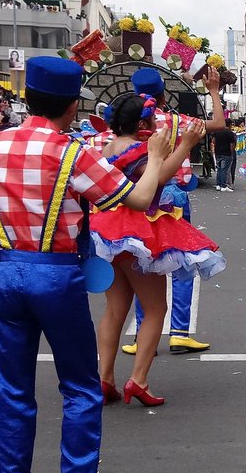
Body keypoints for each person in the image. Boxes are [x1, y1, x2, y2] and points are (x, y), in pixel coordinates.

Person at [0, 57, 171, 473]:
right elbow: (138, 200)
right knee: (79, 384)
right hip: (57, 275)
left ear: (28, 98)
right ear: (73, 103)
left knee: (10, 387)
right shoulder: (73, 153)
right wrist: (156, 155)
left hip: (5, 273)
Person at [90, 94, 224, 405]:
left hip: (107, 231)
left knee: (115, 309)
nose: (155, 125)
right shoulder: (139, 149)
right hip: (138, 231)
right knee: (155, 309)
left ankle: (104, 378)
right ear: (141, 123)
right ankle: (138, 380)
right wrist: (186, 145)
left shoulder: (106, 147)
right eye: (151, 120)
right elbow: (160, 178)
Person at [117, 66, 227, 357]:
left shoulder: (127, 124)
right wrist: (213, 91)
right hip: (173, 197)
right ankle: (179, 333)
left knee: (142, 264)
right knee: (181, 263)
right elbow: (218, 123)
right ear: (163, 95)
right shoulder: (178, 121)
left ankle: (144, 337)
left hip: (138, 198)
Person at [212, 126, 236, 191]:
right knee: (224, 169)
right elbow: (232, 144)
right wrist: (232, 152)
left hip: (218, 152)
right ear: (230, 125)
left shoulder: (216, 132)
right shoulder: (229, 133)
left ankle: (218, 184)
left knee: (219, 169)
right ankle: (223, 185)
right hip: (226, 153)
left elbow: (213, 141)